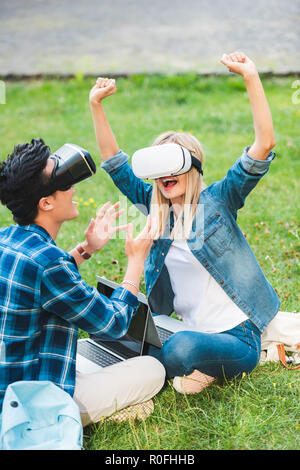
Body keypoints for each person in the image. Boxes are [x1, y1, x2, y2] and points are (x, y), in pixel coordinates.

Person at [89, 51, 280, 395]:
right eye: (157, 169)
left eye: (173, 164)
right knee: (109, 327)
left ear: (192, 167)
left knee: (181, 350)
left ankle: (142, 378)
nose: (165, 176)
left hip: (236, 336)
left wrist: (251, 77)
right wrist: (96, 105)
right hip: (180, 328)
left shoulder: (220, 200)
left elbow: (263, 145)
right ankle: (137, 369)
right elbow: (114, 163)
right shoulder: (153, 209)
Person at [0, 138, 165, 426]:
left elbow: (37, 278)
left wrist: (85, 250)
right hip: (36, 403)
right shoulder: (50, 265)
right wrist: (136, 261)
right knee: (153, 369)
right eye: (65, 183)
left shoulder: (6, 239)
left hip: (11, 381)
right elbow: (113, 325)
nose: (73, 188)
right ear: (46, 202)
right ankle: (100, 413)